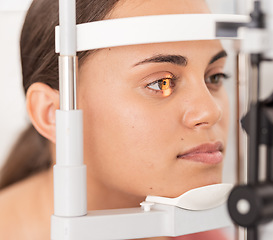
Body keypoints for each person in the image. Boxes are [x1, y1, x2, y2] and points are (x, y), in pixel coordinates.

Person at [0, 0, 230, 239]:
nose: (210, 112)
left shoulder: (200, 230)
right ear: (52, 115)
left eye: (214, 77)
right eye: (160, 83)